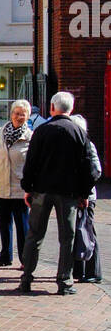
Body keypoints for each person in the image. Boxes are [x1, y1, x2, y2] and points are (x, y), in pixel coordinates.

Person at [17, 91, 102, 296]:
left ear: (52, 108)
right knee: (67, 238)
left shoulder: (41, 131)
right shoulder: (79, 133)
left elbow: (31, 163)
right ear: (70, 109)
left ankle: (26, 279)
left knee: (34, 235)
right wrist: (83, 194)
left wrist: (28, 188)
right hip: (69, 193)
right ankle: (64, 281)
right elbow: (89, 168)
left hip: (42, 190)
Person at [0, 99, 31, 268]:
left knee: (22, 225)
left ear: (27, 117)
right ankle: (5, 256)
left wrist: (31, 188)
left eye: (22, 114)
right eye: (16, 114)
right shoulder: (0, 132)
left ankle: (25, 259)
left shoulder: (30, 137)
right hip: (0, 187)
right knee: (4, 223)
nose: (19, 117)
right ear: (11, 115)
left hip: (20, 189)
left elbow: (33, 166)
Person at [71, 114, 102, 283]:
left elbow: (96, 171)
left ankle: (93, 272)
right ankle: (78, 271)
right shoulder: (72, 146)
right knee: (77, 232)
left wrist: (85, 192)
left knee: (88, 232)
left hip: (87, 197)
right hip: (74, 196)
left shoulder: (88, 146)